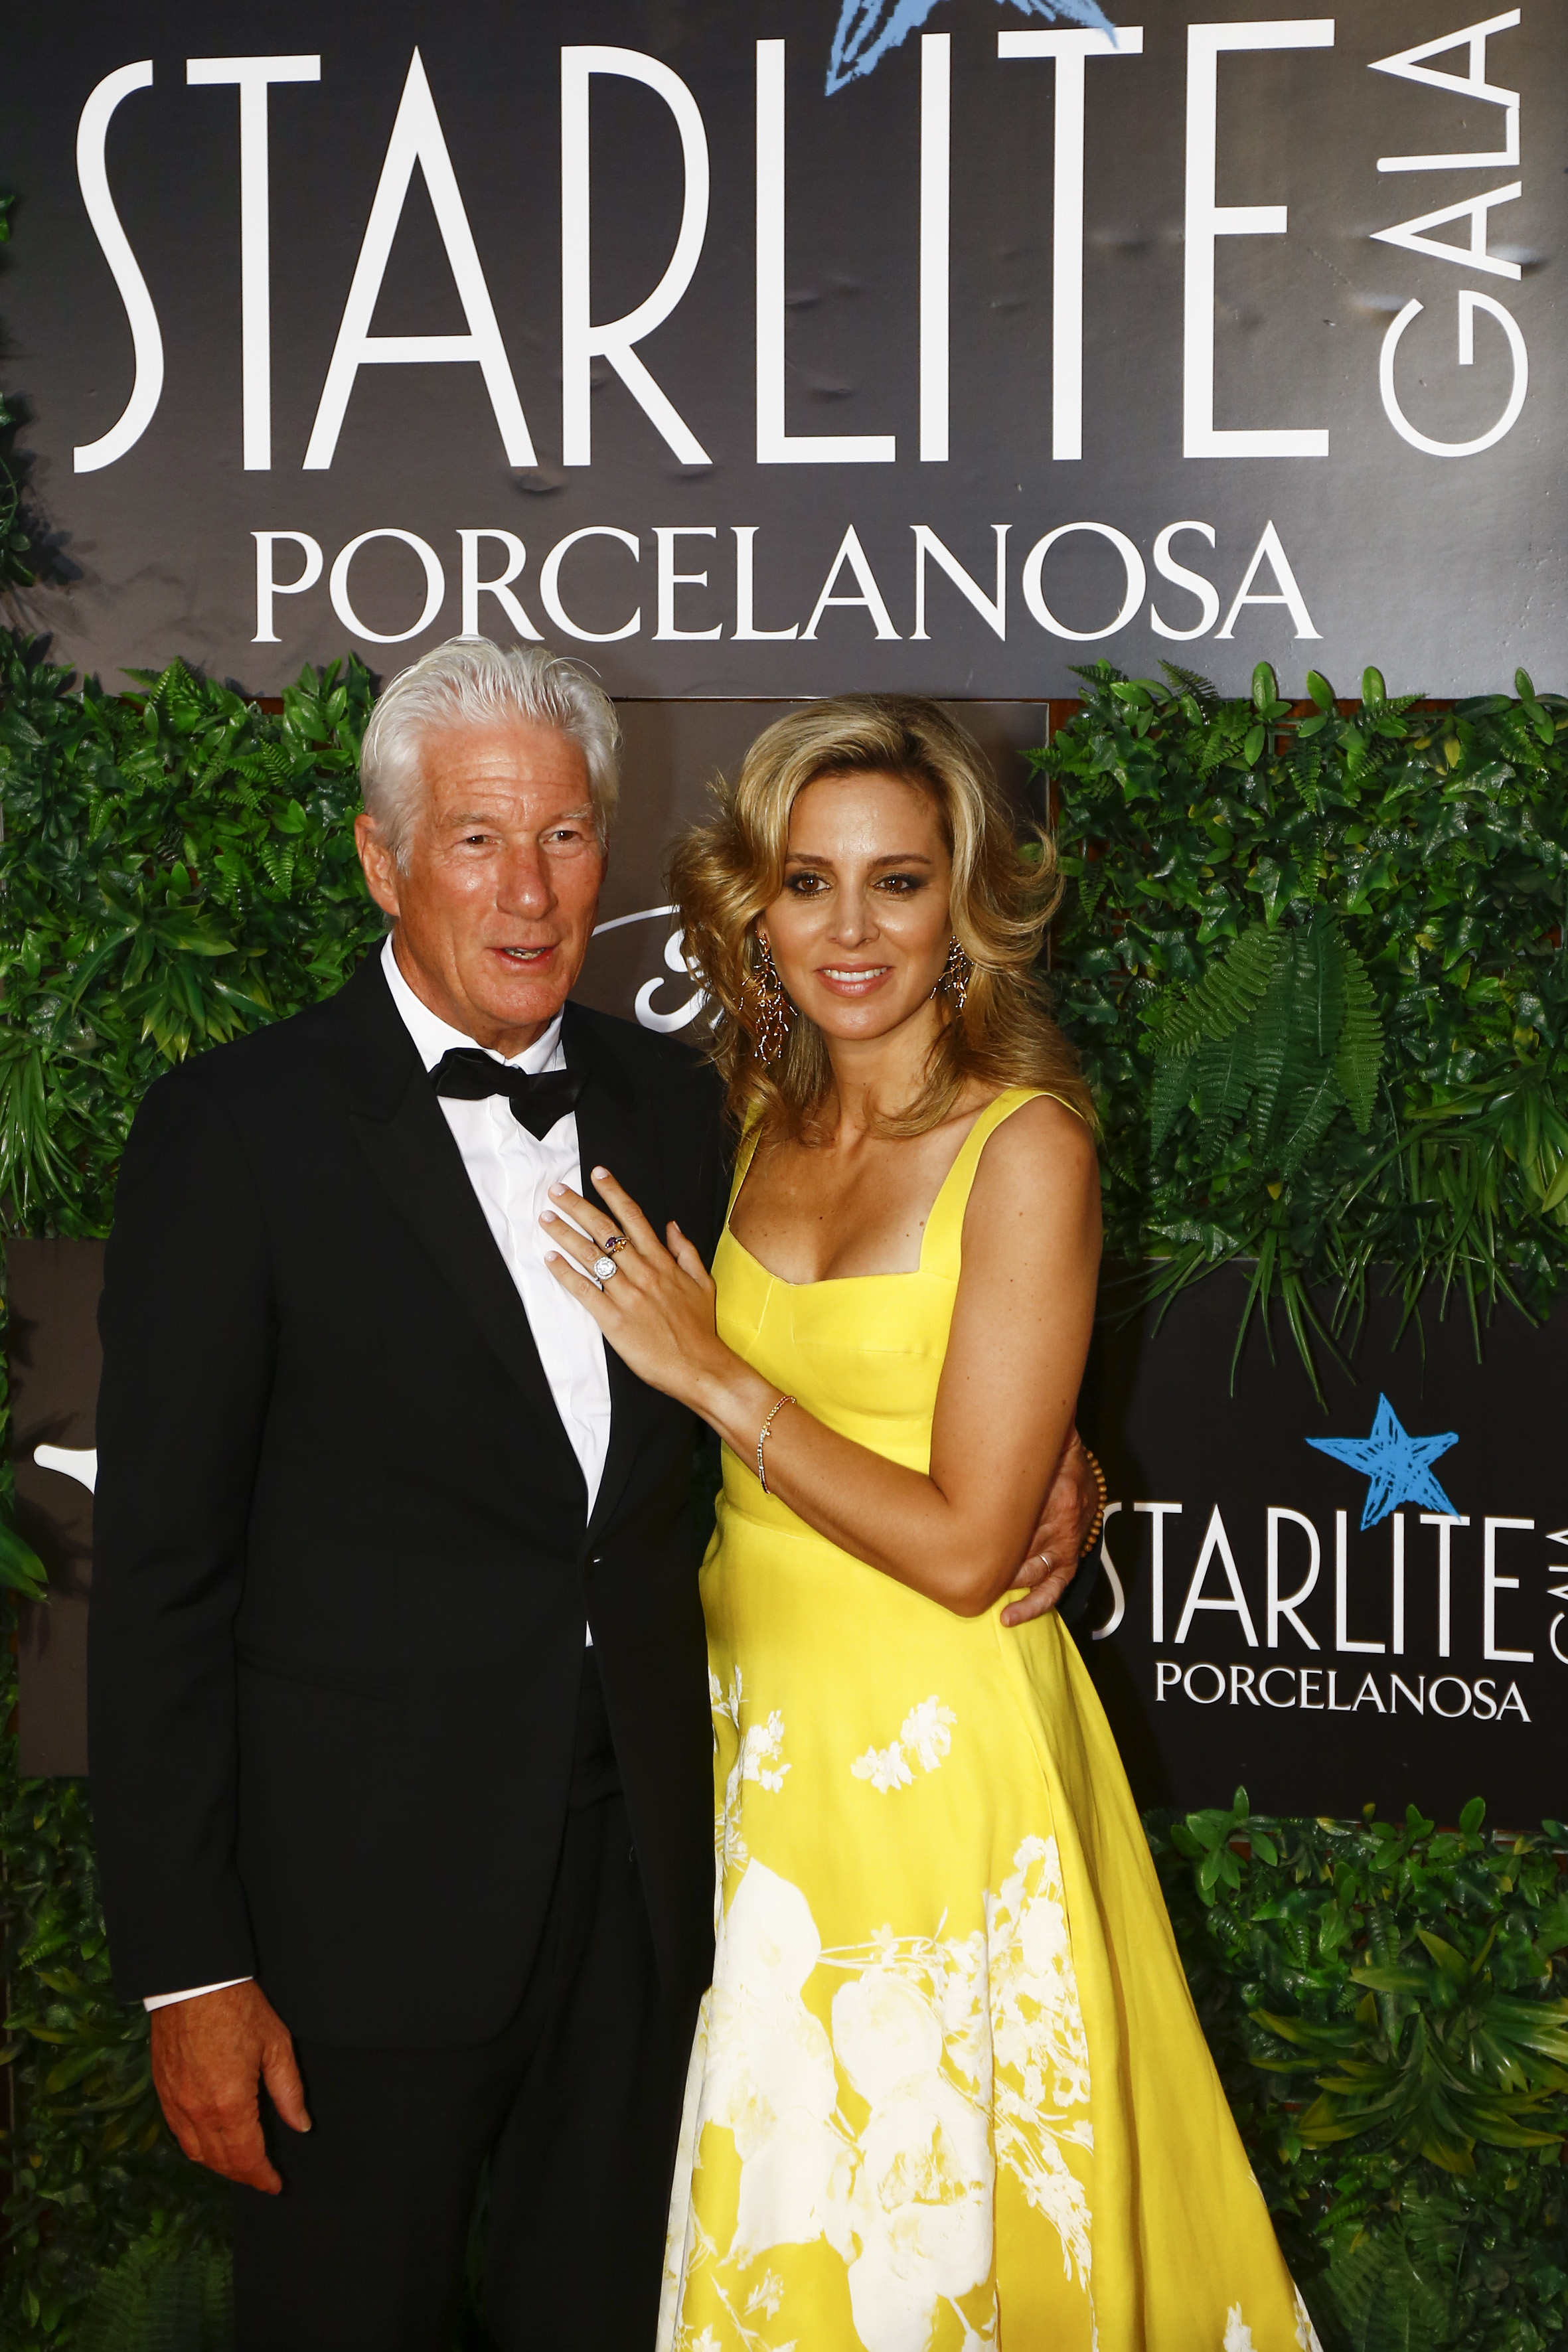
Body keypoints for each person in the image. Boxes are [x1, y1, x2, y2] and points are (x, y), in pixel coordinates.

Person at [88, 641, 1099, 2352]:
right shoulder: (231, 1131)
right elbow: (161, 1580)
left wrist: (1065, 1468)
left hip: (661, 1904)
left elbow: (880, 1342)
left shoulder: (695, 1109)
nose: (530, 886)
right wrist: (192, 1966)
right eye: (477, 838)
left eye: (563, 837)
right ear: (379, 856)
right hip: (353, 1935)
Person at [537, 696, 1321, 2351]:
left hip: (945, 1758)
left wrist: (723, 1380)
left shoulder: (1024, 1145)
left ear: (964, 906)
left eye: (895, 882)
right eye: (807, 882)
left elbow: (972, 1546)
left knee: (944, 2220)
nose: (847, 928)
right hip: (749, 1763)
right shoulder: (734, 1133)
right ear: (753, 906)